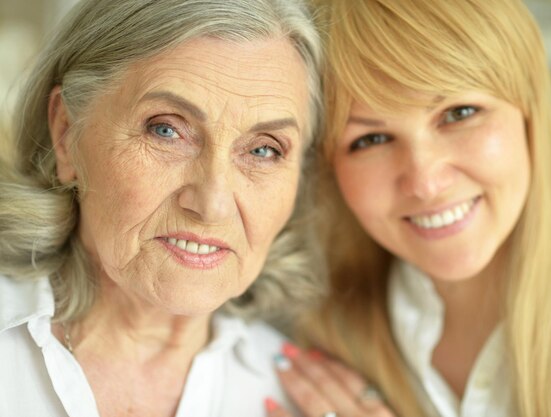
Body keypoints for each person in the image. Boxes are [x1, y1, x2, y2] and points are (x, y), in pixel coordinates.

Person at [266, 0, 551, 416]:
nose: (425, 183)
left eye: (459, 113)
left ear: (530, 111)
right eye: (370, 140)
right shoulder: (312, 325)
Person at [0, 0, 323, 416]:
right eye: (166, 129)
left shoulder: (297, 398)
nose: (212, 204)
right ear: (66, 134)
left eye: (263, 150)